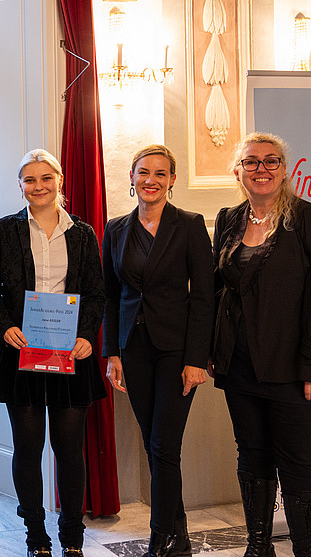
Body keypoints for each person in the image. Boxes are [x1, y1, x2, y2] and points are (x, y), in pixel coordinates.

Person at [0, 149, 106, 557]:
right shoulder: (3, 231)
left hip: (72, 353)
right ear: (20, 186)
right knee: (28, 448)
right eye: (29, 180)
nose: (38, 186)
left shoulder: (83, 233)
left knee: (70, 449)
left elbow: (96, 293)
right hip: (21, 353)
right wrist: (5, 328)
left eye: (46, 178)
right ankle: (36, 537)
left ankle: (71, 537)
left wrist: (87, 335)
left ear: (60, 181)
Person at [101, 144, 213, 557]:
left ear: (172, 180)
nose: (151, 180)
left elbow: (204, 297)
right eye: (143, 172)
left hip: (176, 352)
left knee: (165, 446)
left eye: (160, 174)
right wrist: (111, 352)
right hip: (133, 349)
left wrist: (195, 360)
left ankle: (159, 539)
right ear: (131, 178)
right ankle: (178, 535)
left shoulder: (189, 225)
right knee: (155, 445)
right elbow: (110, 297)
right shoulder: (115, 229)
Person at [213, 132, 311, 557]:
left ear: (285, 170)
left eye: (271, 161)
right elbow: (218, 291)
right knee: (251, 455)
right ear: (238, 171)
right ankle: (258, 546)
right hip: (238, 364)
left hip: (291, 366)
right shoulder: (228, 218)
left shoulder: (305, 219)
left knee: (297, 463)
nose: (261, 169)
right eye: (251, 162)